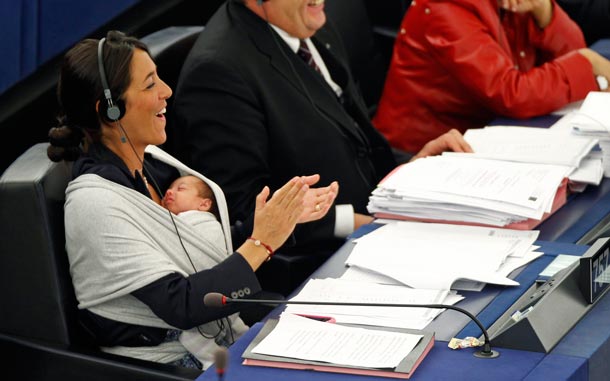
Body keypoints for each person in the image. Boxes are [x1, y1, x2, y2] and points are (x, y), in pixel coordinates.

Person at [46, 30, 337, 370]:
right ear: (110, 110)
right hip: (172, 365)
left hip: (212, 341)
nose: (167, 92)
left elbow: (200, 248)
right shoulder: (94, 204)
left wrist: (279, 221)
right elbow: (182, 304)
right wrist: (262, 242)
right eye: (150, 84)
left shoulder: (151, 166)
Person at [172, 0, 472, 265]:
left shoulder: (308, 20)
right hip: (325, 257)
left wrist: (411, 169)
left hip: (381, 220)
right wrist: (351, 223)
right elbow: (246, 211)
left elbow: (352, 136)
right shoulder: (217, 72)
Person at [373, 0, 610, 154]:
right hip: (422, 153)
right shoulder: (444, 7)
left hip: (489, 136)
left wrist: (545, 12)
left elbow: (571, 53)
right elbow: (511, 93)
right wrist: (586, 62)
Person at [163, 175, 225, 253]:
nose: (168, 192)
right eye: (169, 189)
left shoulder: (210, 226)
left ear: (204, 204)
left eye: (180, 188)